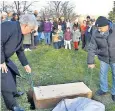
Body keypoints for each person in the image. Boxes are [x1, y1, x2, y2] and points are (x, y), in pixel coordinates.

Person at [1, 14, 38, 111]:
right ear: (25, 25)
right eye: (31, 29)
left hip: (4, 57)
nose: (31, 31)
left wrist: (25, 64)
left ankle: (14, 92)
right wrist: (1, 62)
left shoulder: (20, 33)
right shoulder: (8, 26)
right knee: (5, 78)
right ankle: (12, 105)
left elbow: (20, 50)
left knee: (13, 70)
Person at [87, 16, 115, 102]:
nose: (98, 29)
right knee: (103, 74)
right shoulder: (95, 33)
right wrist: (90, 62)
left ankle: (114, 92)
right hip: (103, 58)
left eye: (100, 28)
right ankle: (103, 89)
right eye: (97, 28)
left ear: (107, 26)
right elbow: (92, 48)